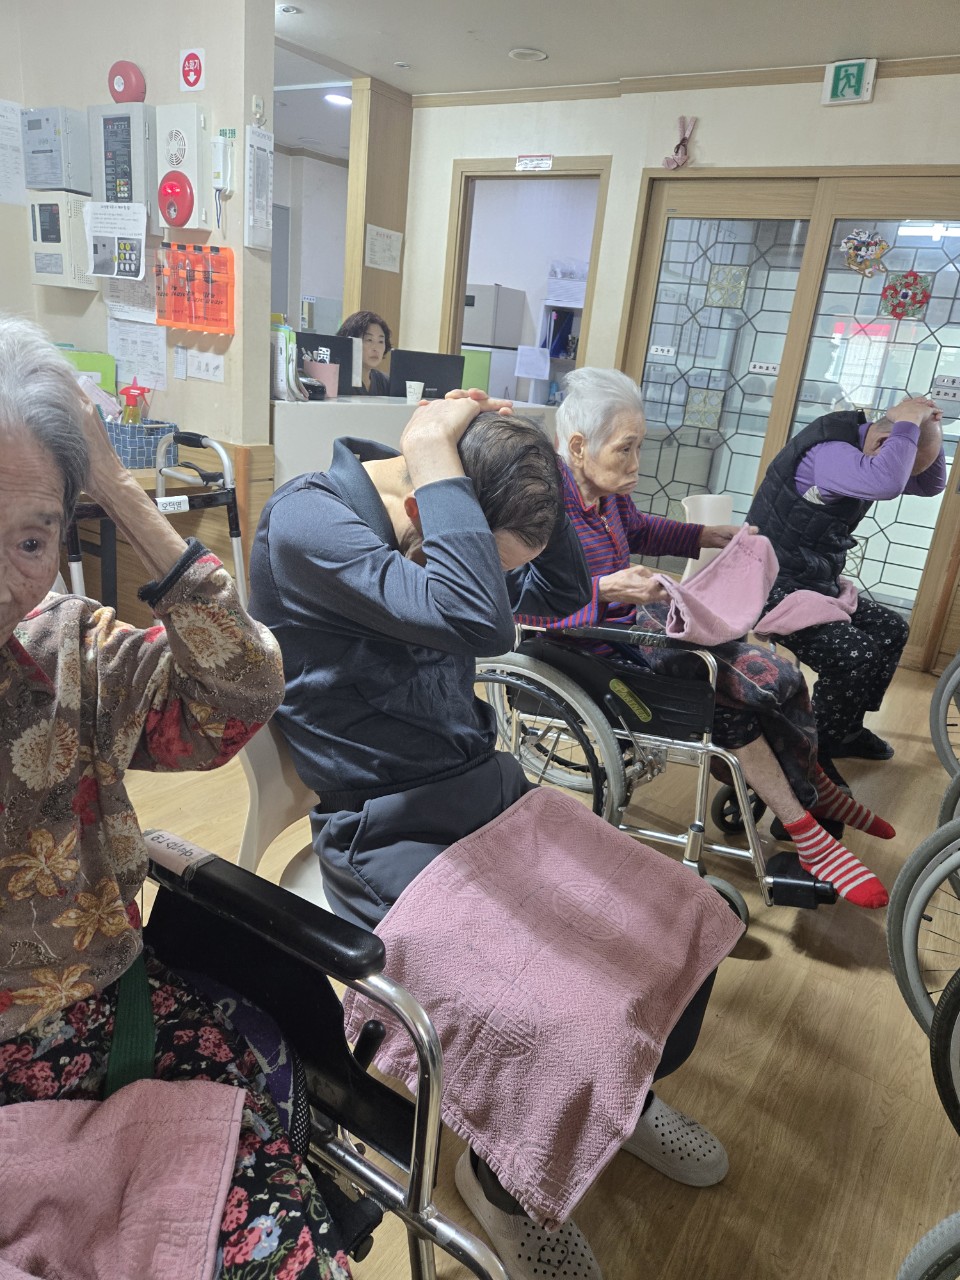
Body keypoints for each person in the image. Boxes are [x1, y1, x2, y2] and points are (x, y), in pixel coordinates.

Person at [248, 392, 733, 1280]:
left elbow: (563, 591)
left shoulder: (448, 517)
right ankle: (501, 1183)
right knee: (571, 1020)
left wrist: (538, 459)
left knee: (690, 917)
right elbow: (482, 621)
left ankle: (625, 1097)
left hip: (492, 796)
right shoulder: (310, 522)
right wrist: (440, 458)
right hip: (389, 829)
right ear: (427, 502)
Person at [0, 314, 351, 1280]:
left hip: (100, 1026)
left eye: (29, 540)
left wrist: (117, 489)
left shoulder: (74, 653)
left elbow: (240, 694)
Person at [540, 366, 896, 912]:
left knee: (778, 677)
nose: (636, 463)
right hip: (592, 651)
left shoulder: (605, 497)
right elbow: (521, 601)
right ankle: (807, 828)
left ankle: (815, 787)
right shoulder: (542, 509)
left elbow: (642, 530)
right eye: (625, 449)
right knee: (735, 701)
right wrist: (604, 588)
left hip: (637, 630)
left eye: (640, 447)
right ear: (579, 447)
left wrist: (707, 535)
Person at [747, 396, 946, 763]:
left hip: (810, 579)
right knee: (855, 655)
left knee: (890, 630)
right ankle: (811, 754)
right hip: (769, 583)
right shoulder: (832, 453)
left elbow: (930, 485)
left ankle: (845, 731)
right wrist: (907, 424)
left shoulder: (867, 448)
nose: (907, 477)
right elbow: (888, 482)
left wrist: (928, 425)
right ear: (883, 442)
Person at [336, 309, 392, 395]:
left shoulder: (385, 382)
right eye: (369, 340)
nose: (376, 348)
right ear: (351, 341)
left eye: (381, 341)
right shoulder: (337, 381)